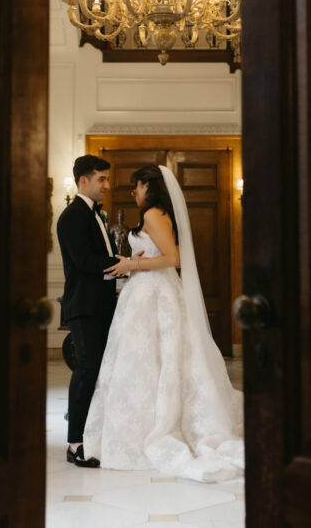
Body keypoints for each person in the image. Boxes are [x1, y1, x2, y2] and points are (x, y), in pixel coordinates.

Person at [85, 164, 244, 482]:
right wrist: (138, 264)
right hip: (153, 290)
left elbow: (174, 258)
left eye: (137, 186)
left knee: (150, 360)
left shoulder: (154, 214)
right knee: (153, 359)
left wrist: (133, 263)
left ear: (149, 186)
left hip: (154, 293)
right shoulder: (162, 214)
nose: (135, 192)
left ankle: (149, 428)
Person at [56, 154, 139, 468]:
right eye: (101, 179)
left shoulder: (95, 216)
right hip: (85, 306)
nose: (107, 185)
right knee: (86, 371)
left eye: (107, 178)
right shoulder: (73, 216)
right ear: (83, 181)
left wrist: (122, 263)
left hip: (101, 304)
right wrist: (127, 266)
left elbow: (98, 258)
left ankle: (94, 432)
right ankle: (75, 442)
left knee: (100, 371)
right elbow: (84, 262)